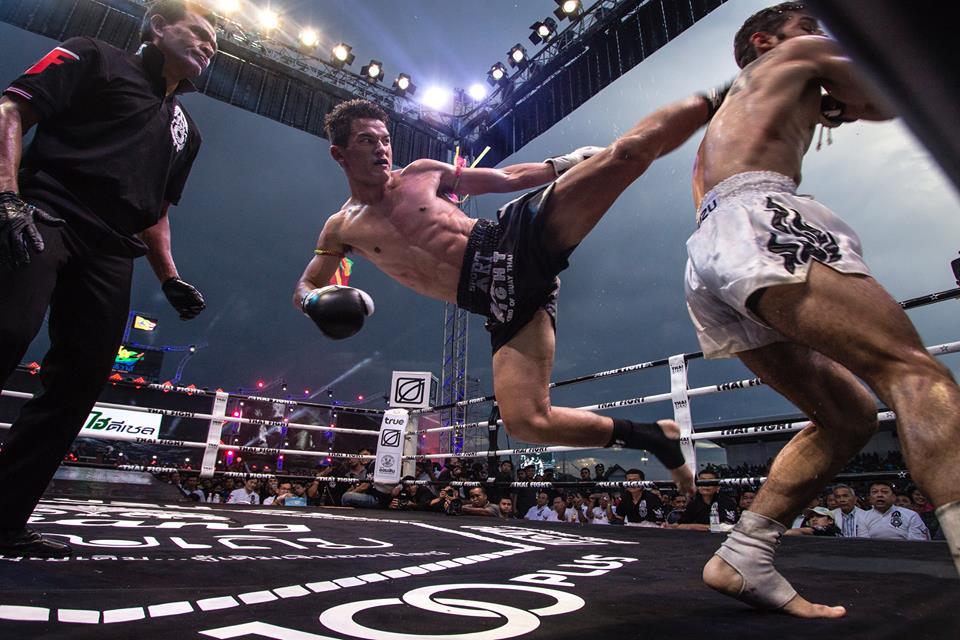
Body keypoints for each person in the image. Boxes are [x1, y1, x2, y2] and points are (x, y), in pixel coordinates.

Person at [293, 89, 732, 498]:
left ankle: (725, 95)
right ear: (340, 154)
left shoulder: (422, 174)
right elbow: (305, 287)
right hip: (498, 300)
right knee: (527, 420)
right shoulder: (341, 228)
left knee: (624, 156)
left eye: (385, 139)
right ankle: (654, 437)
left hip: (512, 241)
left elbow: (504, 177)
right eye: (367, 141)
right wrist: (315, 301)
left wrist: (560, 166)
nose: (381, 149)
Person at [686, 2, 960, 617]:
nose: (819, 35)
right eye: (808, 26)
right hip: (762, 218)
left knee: (847, 415)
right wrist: (838, 97)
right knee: (917, 374)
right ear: (766, 41)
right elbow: (886, 92)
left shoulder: (734, 106)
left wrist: (826, 104)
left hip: (709, 251)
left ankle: (743, 553)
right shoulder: (797, 54)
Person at [0, 0, 216, 557]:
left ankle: (4, 519)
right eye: (198, 32)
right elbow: (11, 110)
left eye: (215, 44)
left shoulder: (186, 130)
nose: (208, 46)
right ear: (158, 26)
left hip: (112, 247)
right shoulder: (92, 55)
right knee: (7, 329)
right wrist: (7, 196)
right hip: (46, 210)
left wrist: (169, 277)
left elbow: (157, 212)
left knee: (82, 379)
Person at [862, 481, 930, 541]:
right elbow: (863, 543)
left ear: (894, 497)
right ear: (869, 498)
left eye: (885, 492)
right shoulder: (862, 517)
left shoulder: (911, 515)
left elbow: (918, 543)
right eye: (875, 492)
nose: (879, 495)